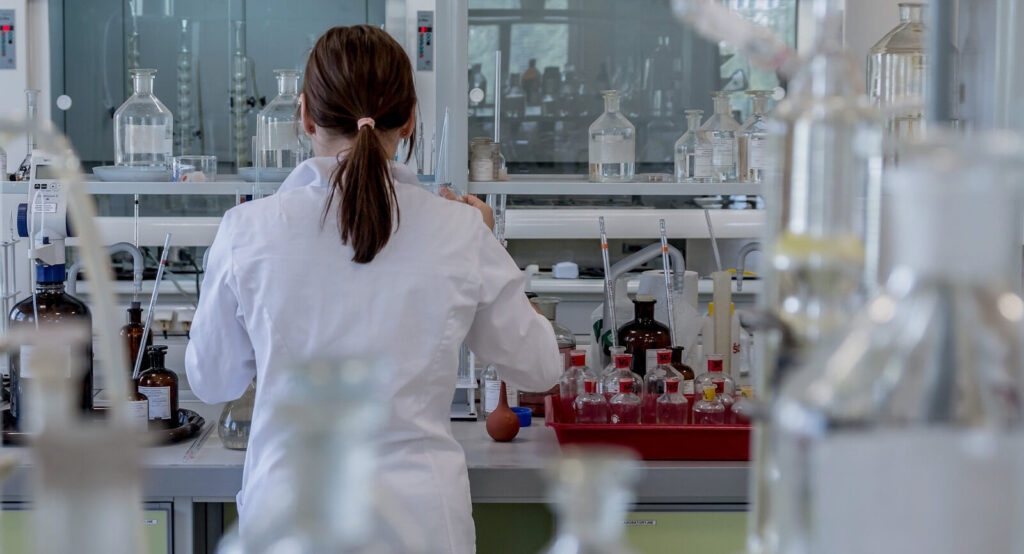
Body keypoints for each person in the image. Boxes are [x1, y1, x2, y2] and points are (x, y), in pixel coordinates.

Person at [185, 25, 562, 553]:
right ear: (409, 119)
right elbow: (541, 369)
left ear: (305, 116)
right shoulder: (460, 231)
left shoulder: (247, 230)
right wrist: (490, 243)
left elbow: (212, 381)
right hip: (421, 526)